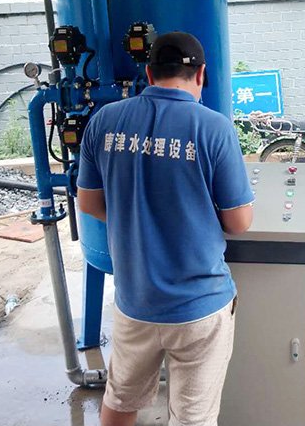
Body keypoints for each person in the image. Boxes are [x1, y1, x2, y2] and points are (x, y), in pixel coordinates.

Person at [77, 31, 254, 426]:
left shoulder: (104, 121)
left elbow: (88, 203)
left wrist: (135, 216)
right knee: (193, 417)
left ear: (148, 73)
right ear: (202, 74)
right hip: (199, 305)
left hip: (135, 300)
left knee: (120, 399)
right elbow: (239, 222)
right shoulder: (213, 128)